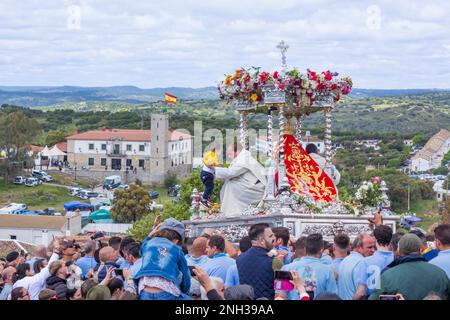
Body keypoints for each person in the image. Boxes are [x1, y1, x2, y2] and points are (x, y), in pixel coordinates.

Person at [369, 233, 450, 300]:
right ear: (421, 250)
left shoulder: (386, 275)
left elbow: (374, 297)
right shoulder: (440, 274)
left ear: (398, 251)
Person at [134, 217, 191, 300]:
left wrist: (151, 233)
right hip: (166, 292)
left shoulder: (148, 244)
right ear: (176, 240)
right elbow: (186, 276)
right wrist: (185, 292)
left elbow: (141, 249)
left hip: (144, 290)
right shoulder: (176, 249)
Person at [276, 233, 337, 300]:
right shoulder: (328, 271)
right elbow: (332, 297)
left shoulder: (285, 268)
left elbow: (279, 296)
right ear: (321, 250)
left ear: (305, 249)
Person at [215, 149, 267, 217]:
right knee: (228, 183)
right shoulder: (240, 158)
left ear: (236, 151)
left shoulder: (244, 159)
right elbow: (231, 173)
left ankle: (233, 212)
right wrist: (218, 169)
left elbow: (231, 173)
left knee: (231, 185)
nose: (229, 156)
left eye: (230, 153)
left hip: (257, 189)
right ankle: (226, 212)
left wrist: (214, 169)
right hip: (249, 185)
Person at [353, 225, 394, 300]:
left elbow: (361, 292)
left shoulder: (366, 261)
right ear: (391, 239)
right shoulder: (397, 258)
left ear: (375, 239)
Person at [236, 223, 275, 299]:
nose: (274, 238)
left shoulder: (240, 259)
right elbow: (282, 288)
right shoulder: (272, 260)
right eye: (270, 236)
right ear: (261, 241)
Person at [337, 233, 376, 300]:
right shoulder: (363, 263)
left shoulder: (344, 261)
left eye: (374, 247)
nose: (373, 250)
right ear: (358, 248)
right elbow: (361, 293)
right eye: (369, 247)